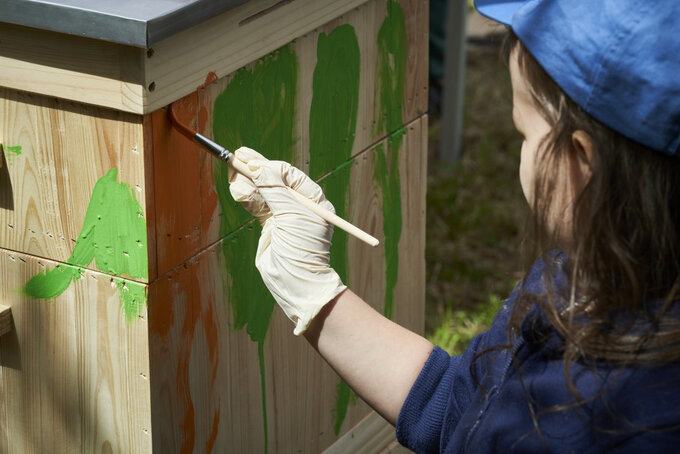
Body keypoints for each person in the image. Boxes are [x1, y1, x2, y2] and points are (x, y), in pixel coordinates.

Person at [227, 0, 680, 451]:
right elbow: (458, 409)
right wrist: (312, 288)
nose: (517, 150)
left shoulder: (623, 427)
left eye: (522, 133)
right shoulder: (582, 274)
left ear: (579, 164)